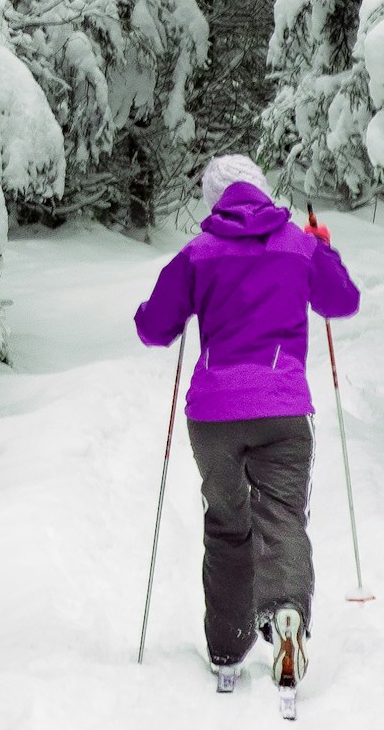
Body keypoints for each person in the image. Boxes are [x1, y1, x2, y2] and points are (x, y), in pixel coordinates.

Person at [134, 155, 360, 695]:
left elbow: (153, 328)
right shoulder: (298, 244)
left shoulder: (198, 252)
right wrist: (323, 248)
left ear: (215, 201)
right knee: (282, 517)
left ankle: (227, 648)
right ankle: (286, 617)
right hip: (283, 409)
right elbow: (342, 300)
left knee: (228, 523)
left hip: (213, 416)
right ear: (261, 191)